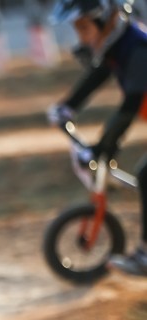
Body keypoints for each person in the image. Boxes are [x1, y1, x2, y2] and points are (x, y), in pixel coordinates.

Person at [47, 0, 147, 275]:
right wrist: (68, 105)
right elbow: (99, 74)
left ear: (106, 19)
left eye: (83, 27)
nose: (81, 37)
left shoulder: (138, 48)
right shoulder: (119, 47)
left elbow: (130, 106)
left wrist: (104, 146)